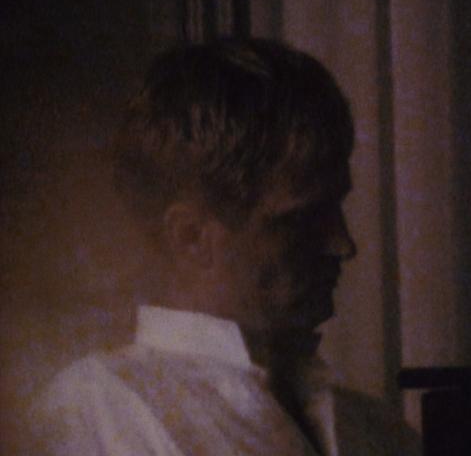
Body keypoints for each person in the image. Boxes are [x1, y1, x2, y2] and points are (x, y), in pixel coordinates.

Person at [29, 38, 420, 455]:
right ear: (191, 237)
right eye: (302, 220)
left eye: (336, 207)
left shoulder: (375, 428)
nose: (343, 246)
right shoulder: (97, 416)